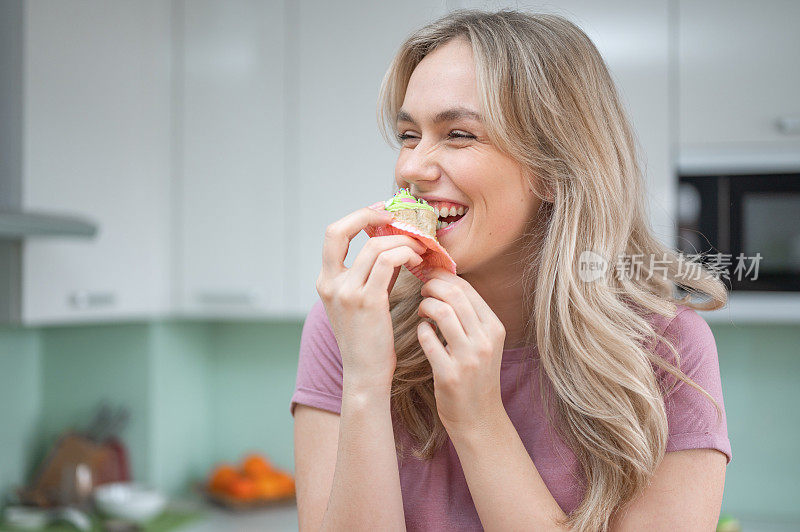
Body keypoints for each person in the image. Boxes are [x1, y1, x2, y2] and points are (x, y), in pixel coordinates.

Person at [291, 9, 731, 532]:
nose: (410, 168)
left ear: (554, 168)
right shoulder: (349, 325)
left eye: (458, 134)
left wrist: (479, 420)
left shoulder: (666, 348)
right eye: (409, 135)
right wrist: (365, 381)